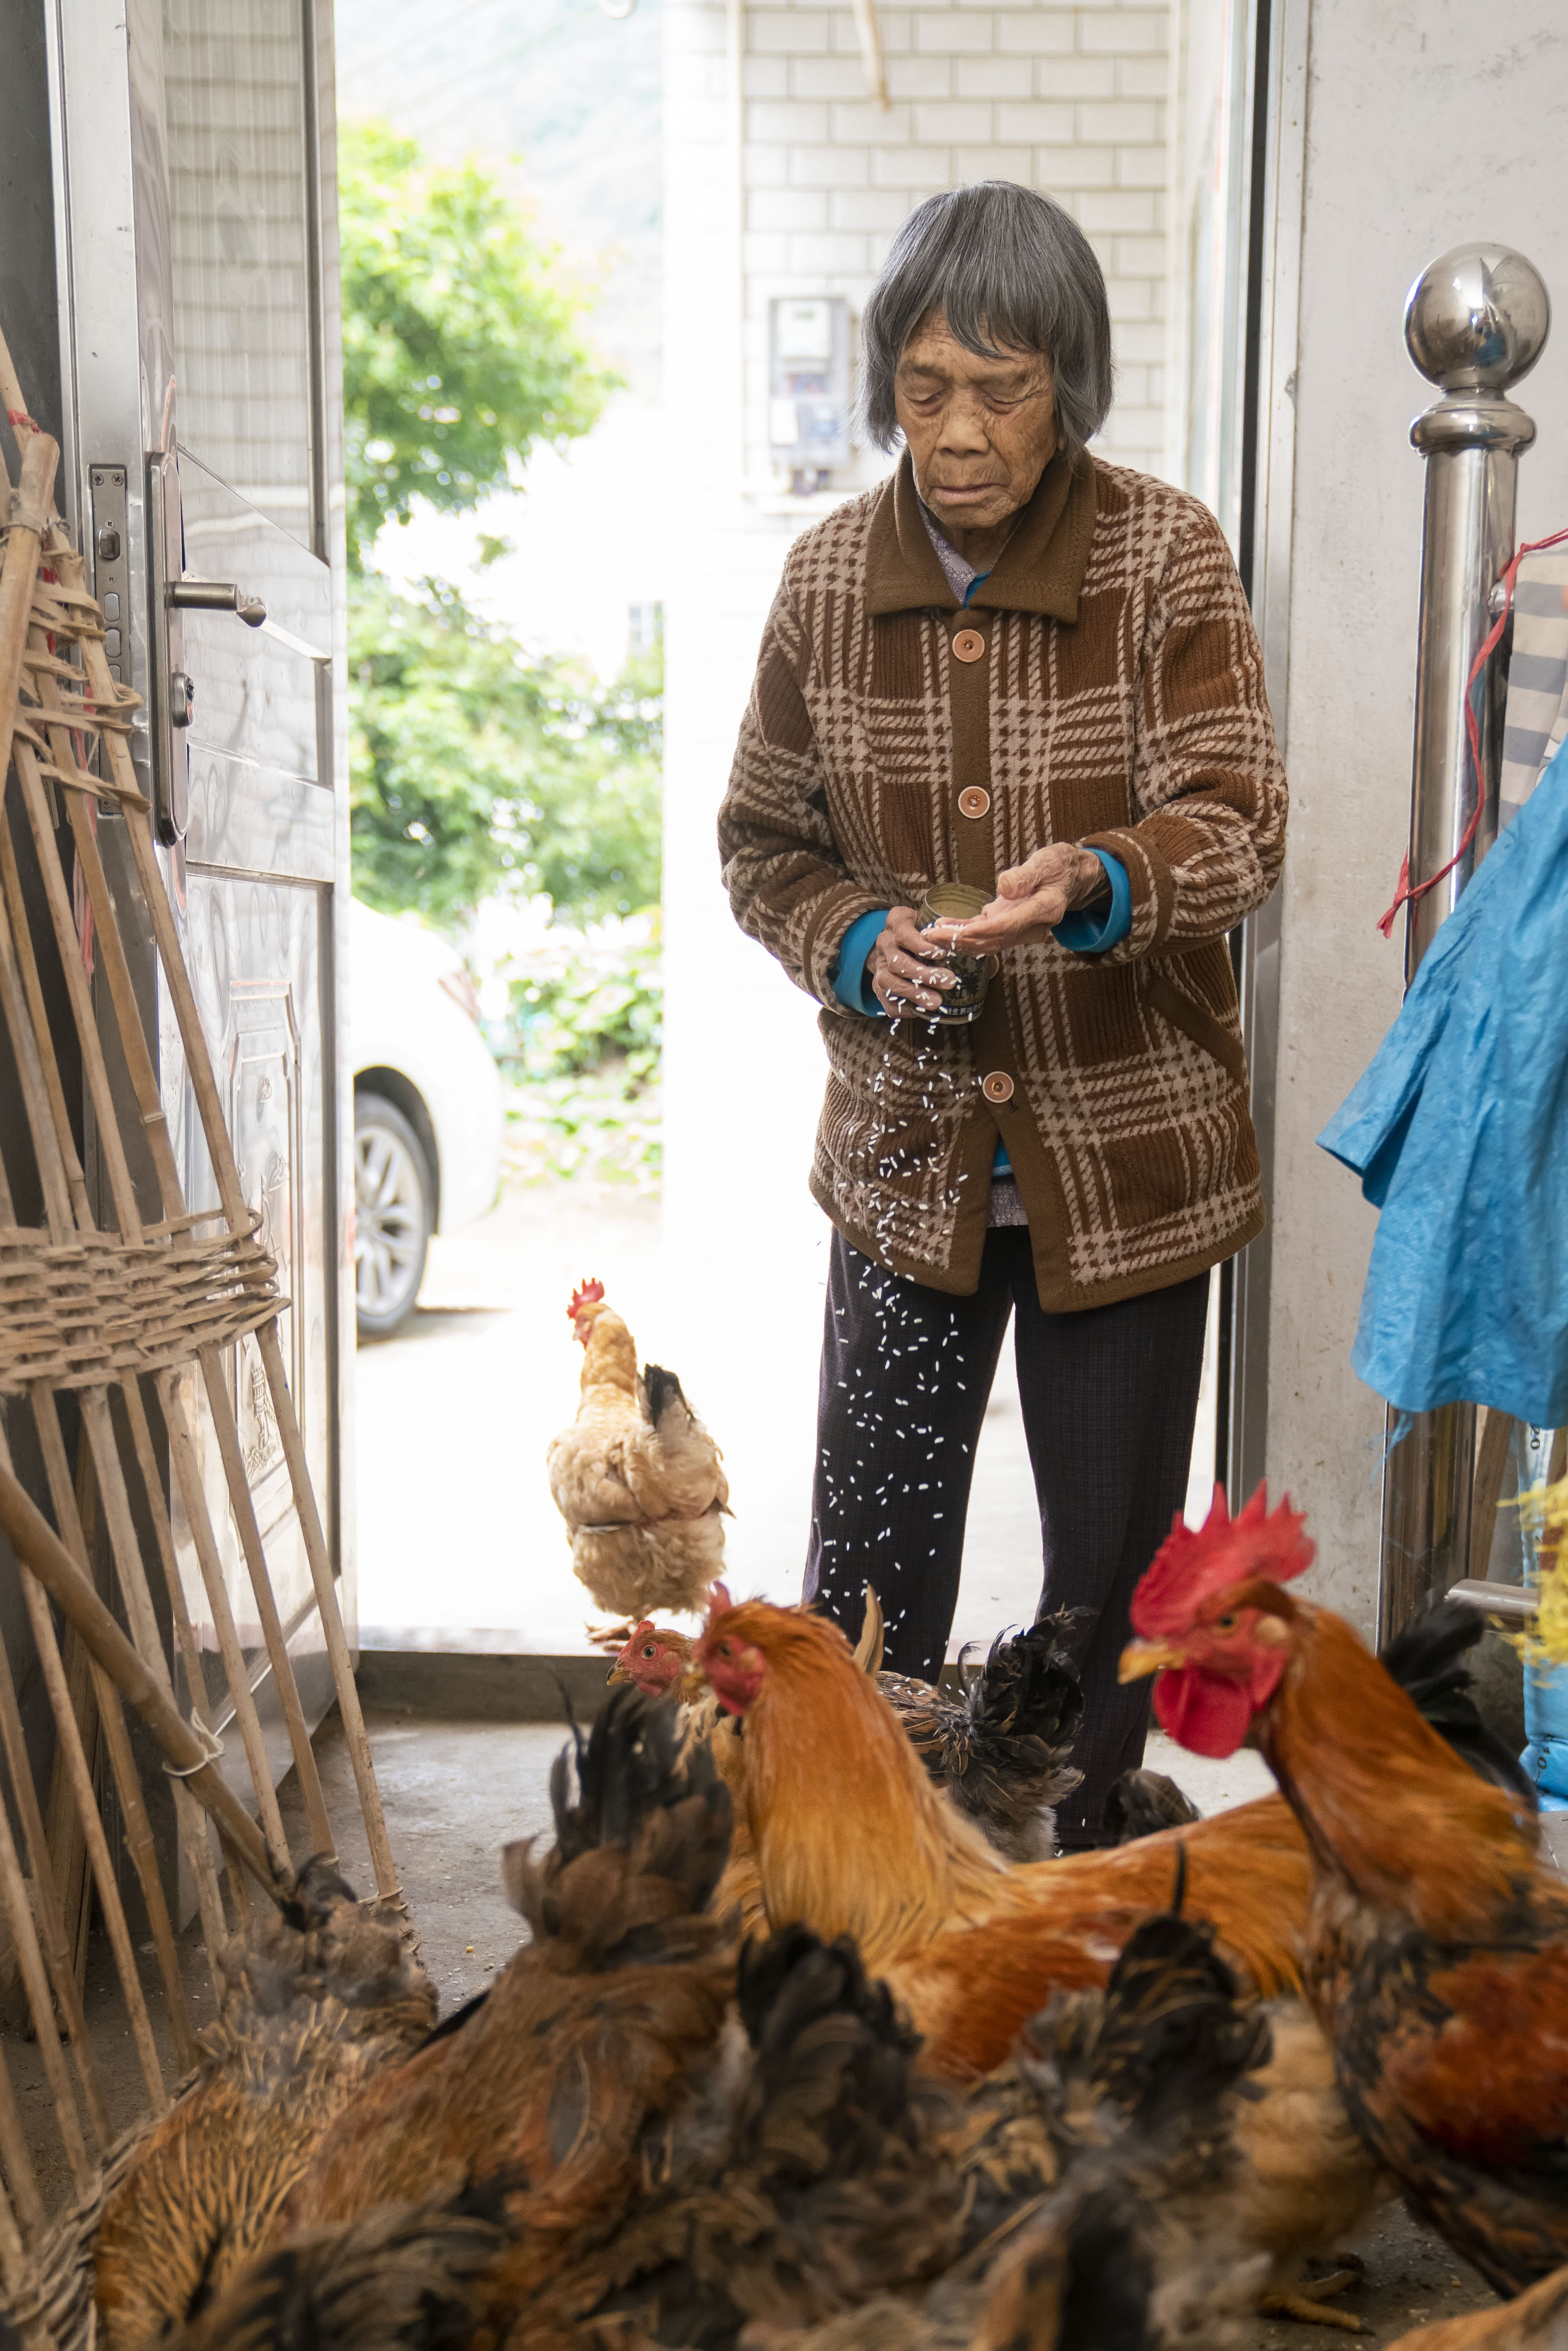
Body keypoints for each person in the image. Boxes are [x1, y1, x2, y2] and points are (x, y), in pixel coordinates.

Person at [717, 181, 1287, 1848]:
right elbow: (764, 843)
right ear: (887, 376)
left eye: (1005, 388)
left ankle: (1084, 1866)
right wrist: (853, 939)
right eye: (924, 387)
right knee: (873, 1560)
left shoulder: (1162, 553)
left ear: (1071, 387)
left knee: (1110, 1566)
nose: (957, 433)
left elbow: (1237, 816)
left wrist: (1101, 879)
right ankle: (866, 1874)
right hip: (907, 1166)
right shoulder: (827, 583)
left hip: (1132, 1161)